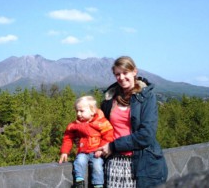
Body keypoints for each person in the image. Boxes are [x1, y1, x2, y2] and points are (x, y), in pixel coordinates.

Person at [98, 56, 168, 188]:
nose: (121, 77)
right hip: (113, 163)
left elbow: (146, 135)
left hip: (140, 163)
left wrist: (113, 146)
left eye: (125, 73)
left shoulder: (146, 97)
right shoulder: (110, 99)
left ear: (134, 72)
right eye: (117, 74)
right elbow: (100, 126)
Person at [59, 95, 114, 188]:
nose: (79, 114)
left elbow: (108, 135)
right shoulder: (75, 125)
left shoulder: (101, 122)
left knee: (97, 166)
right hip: (83, 151)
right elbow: (67, 137)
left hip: (97, 152)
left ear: (92, 111)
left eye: (81, 111)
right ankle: (79, 182)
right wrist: (64, 152)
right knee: (79, 161)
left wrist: (101, 149)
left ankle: (98, 184)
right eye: (77, 111)